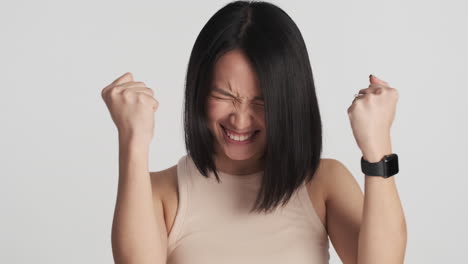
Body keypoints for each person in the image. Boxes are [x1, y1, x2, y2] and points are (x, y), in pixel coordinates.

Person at [101, 1, 407, 263]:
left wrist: (377, 145)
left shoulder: (323, 182)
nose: (241, 119)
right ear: (199, 91)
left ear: (290, 104)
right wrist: (133, 140)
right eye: (224, 95)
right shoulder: (161, 193)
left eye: (262, 101)